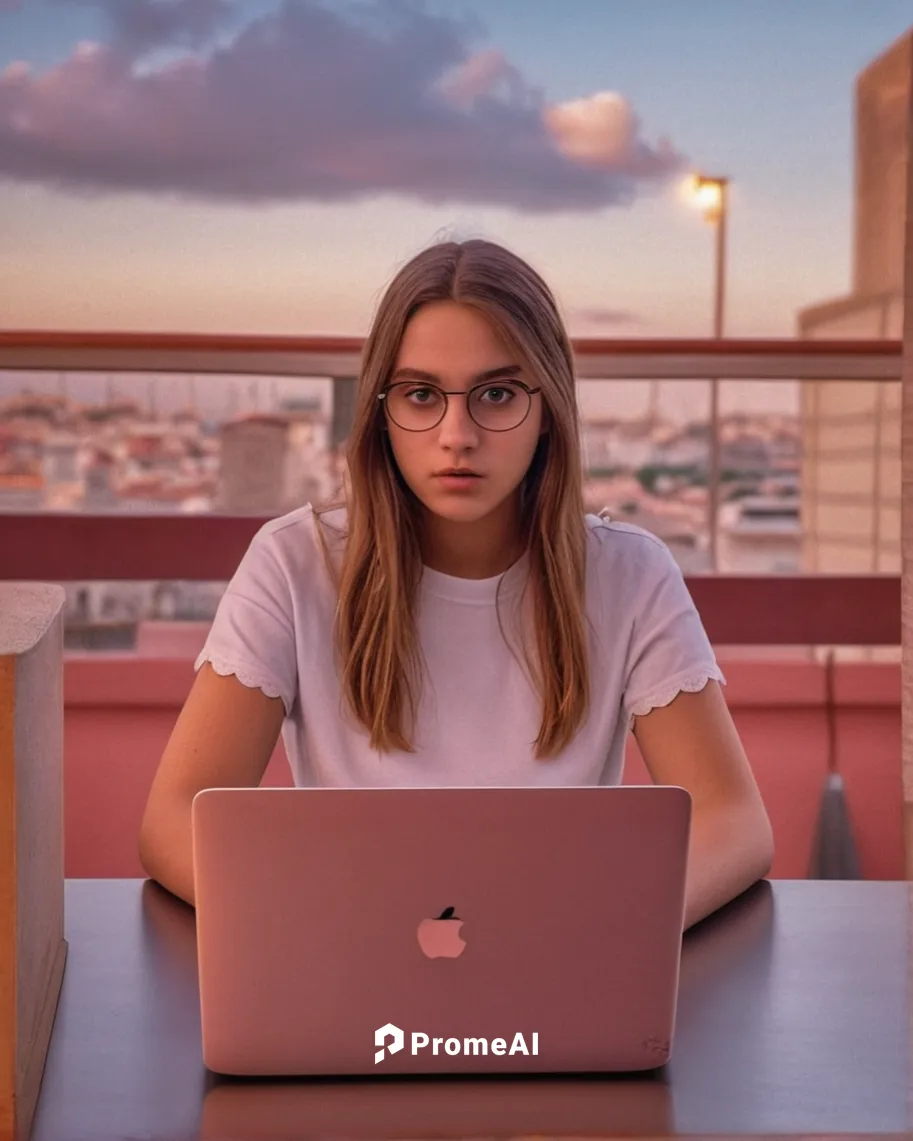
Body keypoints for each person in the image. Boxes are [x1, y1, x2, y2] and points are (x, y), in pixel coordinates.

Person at [138, 238, 773, 922]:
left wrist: (604, 929)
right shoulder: (294, 562)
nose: (456, 434)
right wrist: (324, 922)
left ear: (548, 407)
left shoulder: (629, 572)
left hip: (555, 980)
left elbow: (733, 822)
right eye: (420, 394)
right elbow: (175, 818)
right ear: (381, 409)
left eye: (496, 394)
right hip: (352, 979)